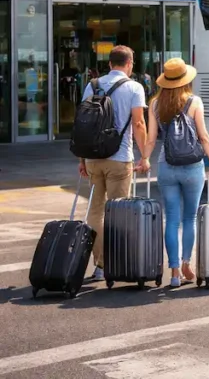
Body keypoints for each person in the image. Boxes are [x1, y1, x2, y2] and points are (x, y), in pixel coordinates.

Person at [140, 58, 209, 287]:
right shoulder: (195, 102)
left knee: (172, 220)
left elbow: (150, 138)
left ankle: (175, 272)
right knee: (189, 218)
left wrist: (144, 159)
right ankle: (187, 261)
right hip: (192, 168)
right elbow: (204, 136)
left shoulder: (156, 104)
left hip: (167, 166)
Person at [78, 45, 147, 282]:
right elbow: (138, 124)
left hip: (93, 159)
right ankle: (116, 264)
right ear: (130, 64)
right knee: (117, 212)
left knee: (95, 212)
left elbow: (83, 123)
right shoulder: (134, 87)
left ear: (109, 63)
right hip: (119, 158)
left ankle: (99, 265)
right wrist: (145, 156)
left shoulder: (93, 85)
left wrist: (82, 158)